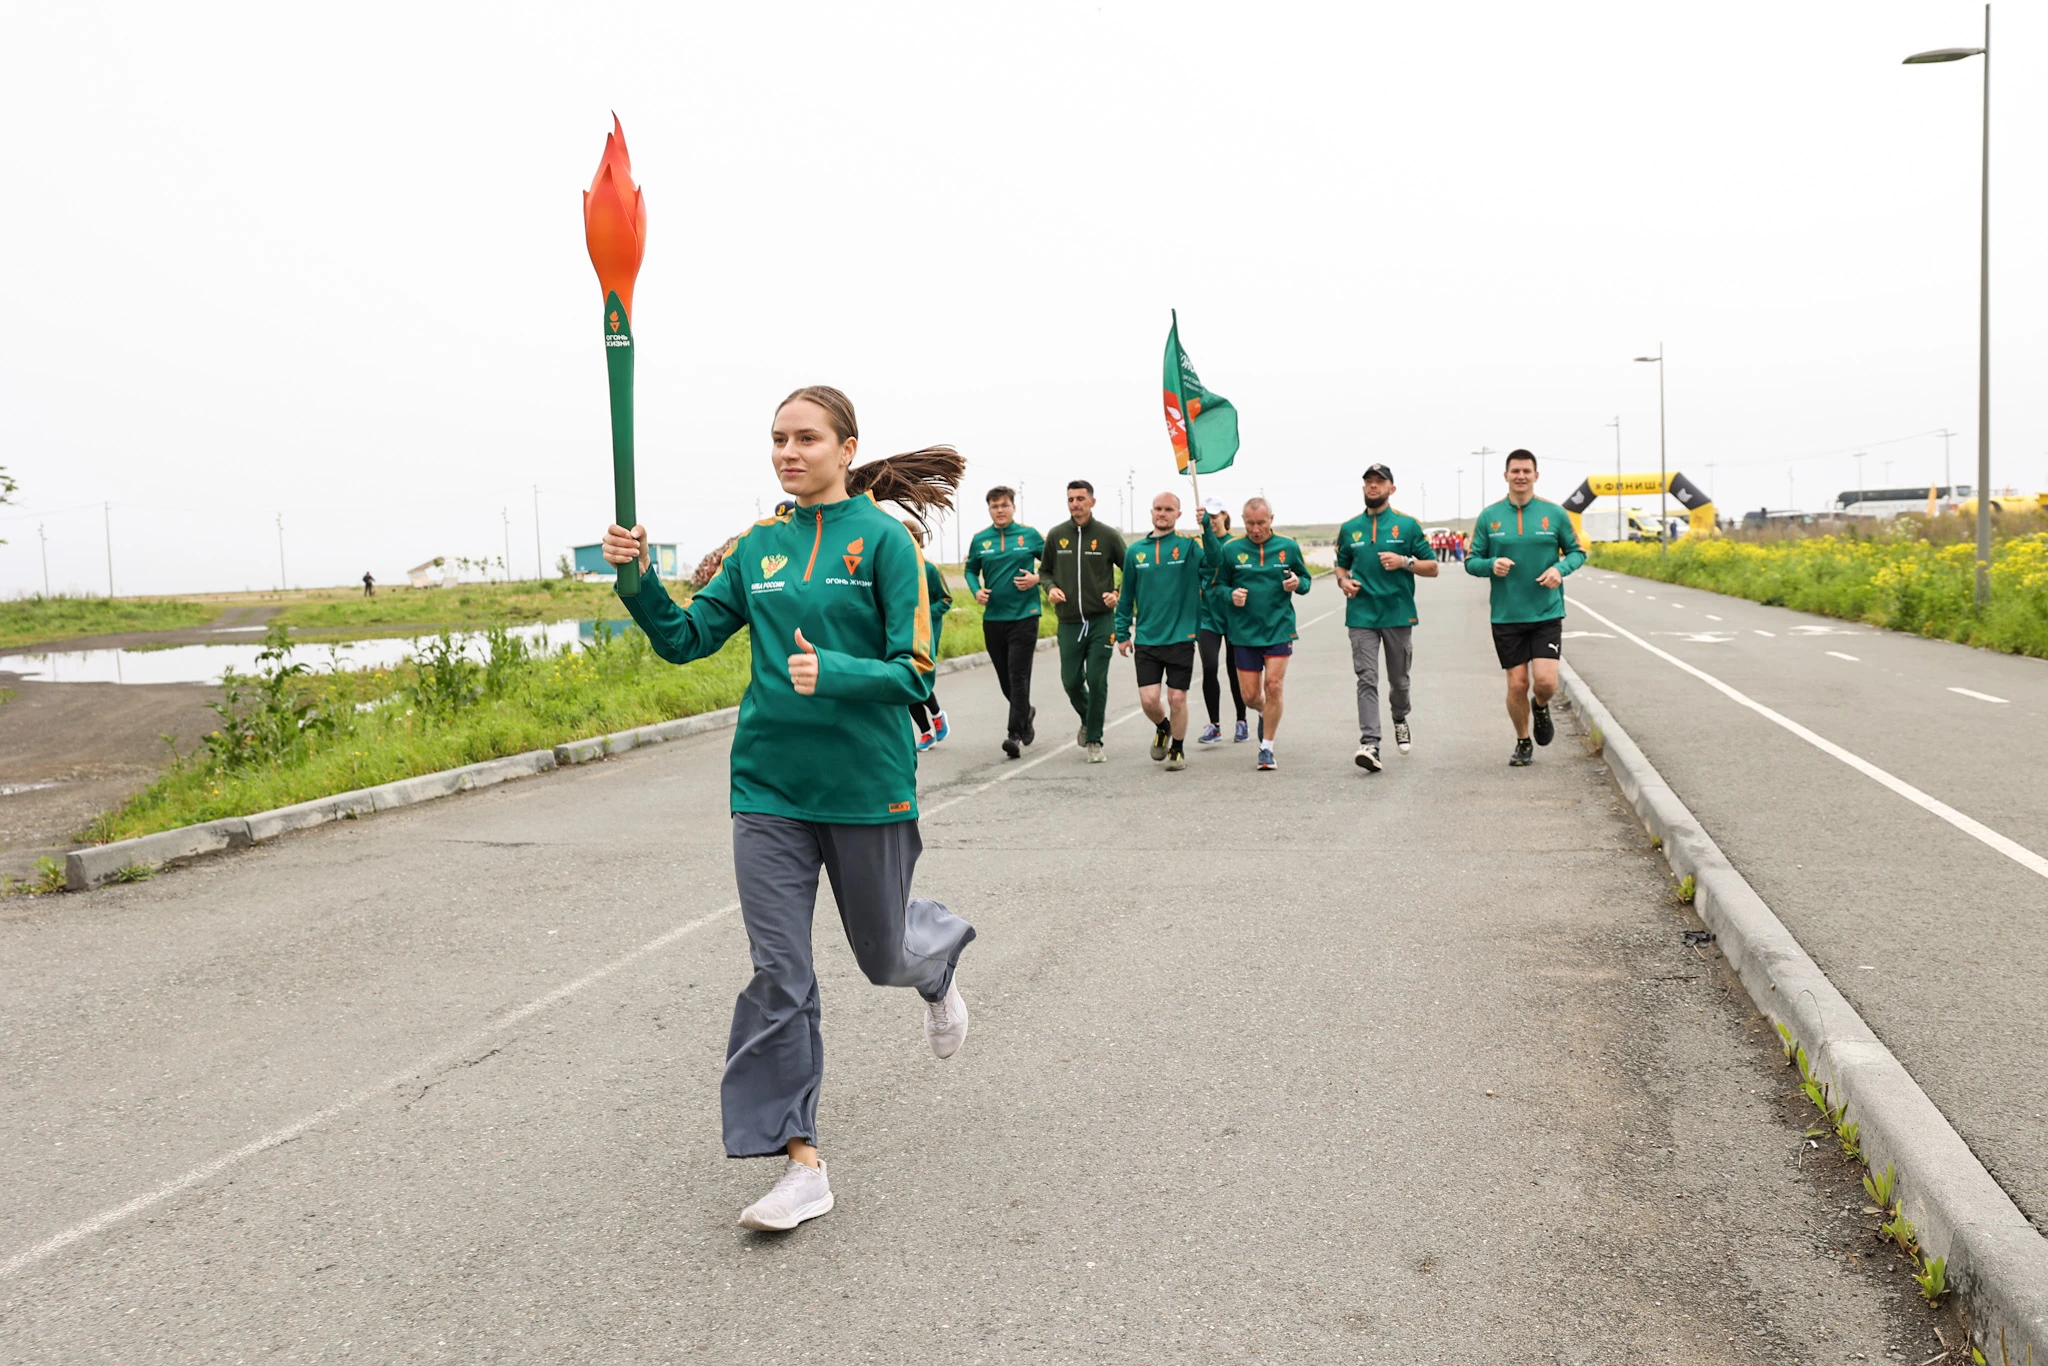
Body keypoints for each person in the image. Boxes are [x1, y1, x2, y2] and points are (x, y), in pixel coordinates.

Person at [600, 385, 975, 1233]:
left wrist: (834, 673)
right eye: (777, 438)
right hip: (768, 790)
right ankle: (800, 1162)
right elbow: (685, 638)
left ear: (847, 449)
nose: (788, 451)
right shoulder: (758, 547)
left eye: (807, 438)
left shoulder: (886, 544)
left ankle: (938, 962)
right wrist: (636, 580)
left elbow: (915, 670)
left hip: (864, 788)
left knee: (883, 956)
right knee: (781, 972)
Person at [1465, 448, 1586, 766]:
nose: (1520, 476)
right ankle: (1522, 741)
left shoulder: (1554, 514)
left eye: (1526, 471)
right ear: (1506, 475)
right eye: (1515, 471)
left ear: (1536, 475)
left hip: (1546, 611)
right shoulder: (1490, 517)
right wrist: (1491, 564)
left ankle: (1541, 705)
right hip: (1506, 614)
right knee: (1517, 683)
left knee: (1545, 682)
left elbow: (1577, 552)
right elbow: (1471, 561)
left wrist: (1560, 570)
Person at [1334, 464, 1438, 772]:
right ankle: (1371, 743)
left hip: (1397, 613)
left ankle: (1399, 717)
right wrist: (1343, 581)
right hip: (1361, 615)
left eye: (1379, 482)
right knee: (1366, 678)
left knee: (1399, 681)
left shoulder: (1407, 526)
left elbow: (1432, 567)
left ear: (1392, 488)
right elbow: (1341, 565)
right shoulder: (1350, 527)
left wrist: (1404, 562)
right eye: (1368, 482)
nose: (1373, 486)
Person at [1111, 491, 1225, 770]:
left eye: (1169, 509)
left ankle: (1177, 748)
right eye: (1158, 509)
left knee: (1176, 698)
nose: (1162, 513)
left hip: (1180, 636)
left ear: (1178, 514)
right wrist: (1123, 632)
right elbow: (1127, 596)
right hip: (1148, 638)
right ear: (1152, 512)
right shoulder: (1136, 551)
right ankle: (1162, 727)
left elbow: (1215, 560)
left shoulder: (1188, 547)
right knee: (1149, 701)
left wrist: (1207, 529)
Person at [1221, 498, 1312, 770]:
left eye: (1261, 523)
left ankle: (1267, 748)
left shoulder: (1288, 547)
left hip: (1278, 627)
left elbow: (1305, 582)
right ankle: (1262, 711)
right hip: (1245, 632)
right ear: (1242, 520)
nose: (1256, 529)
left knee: (1273, 685)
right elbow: (1217, 587)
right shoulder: (1231, 550)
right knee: (1250, 696)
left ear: (1271, 518)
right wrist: (1230, 594)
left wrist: (1297, 583)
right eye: (1250, 523)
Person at [1038, 480, 1126, 760]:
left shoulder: (1107, 536)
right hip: (1069, 622)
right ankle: (1088, 718)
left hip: (1101, 621)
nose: (1075, 504)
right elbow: (1045, 572)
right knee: (1071, 681)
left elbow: (1131, 572)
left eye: (1080, 498)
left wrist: (1116, 593)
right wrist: (1050, 587)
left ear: (1092, 502)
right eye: (1071, 499)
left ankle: (1094, 740)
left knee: (1097, 679)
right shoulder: (1056, 535)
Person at [962, 486, 1043, 759]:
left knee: (1018, 675)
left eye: (1005, 505)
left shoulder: (1029, 536)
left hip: (1025, 615)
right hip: (994, 618)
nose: (1000, 510)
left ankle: (1014, 735)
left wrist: (1037, 579)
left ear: (1013, 507)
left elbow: (1052, 565)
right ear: (989, 509)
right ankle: (1026, 712)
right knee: (1005, 680)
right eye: (995, 506)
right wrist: (976, 590)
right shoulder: (980, 540)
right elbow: (971, 570)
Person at [1194, 502, 1248, 745]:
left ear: (1225, 516)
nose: (1212, 520)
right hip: (1207, 617)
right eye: (1207, 516)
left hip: (1233, 615)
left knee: (1234, 668)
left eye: (1215, 516)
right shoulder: (1198, 545)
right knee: (1209, 666)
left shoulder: (1236, 544)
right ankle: (1214, 725)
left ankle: (1241, 720)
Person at [903, 518, 952, 751]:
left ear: (918, 540)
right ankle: (925, 732)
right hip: (900, 633)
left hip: (925, 635)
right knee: (905, 682)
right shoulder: (896, 566)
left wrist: (924, 614)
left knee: (917, 677)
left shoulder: (929, 568)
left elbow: (945, 599)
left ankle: (936, 714)